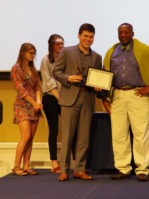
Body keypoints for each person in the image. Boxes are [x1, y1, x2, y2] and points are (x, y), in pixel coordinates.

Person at [102, 23, 149, 181]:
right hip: (117, 95)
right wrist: (104, 97)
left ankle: (142, 170)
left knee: (140, 134)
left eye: (126, 32)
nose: (123, 35)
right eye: (120, 32)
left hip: (137, 95)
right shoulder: (112, 51)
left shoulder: (143, 49)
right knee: (119, 135)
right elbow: (105, 76)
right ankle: (123, 169)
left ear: (132, 33)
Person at [53, 23, 102, 181]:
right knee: (67, 137)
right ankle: (64, 170)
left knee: (84, 137)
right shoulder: (67, 51)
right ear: (79, 35)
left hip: (87, 99)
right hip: (69, 99)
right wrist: (68, 78)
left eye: (91, 37)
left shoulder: (97, 57)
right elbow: (56, 71)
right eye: (85, 36)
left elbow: (98, 79)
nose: (88, 39)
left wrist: (99, 86)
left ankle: (80, 169)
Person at [11, 43, 43, 176]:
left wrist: (39, 101)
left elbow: (37, 87)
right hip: (22, 106)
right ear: (23, 53)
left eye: (34, 53)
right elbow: (20, 89)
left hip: (35, 106)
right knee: (26, 136)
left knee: (31, 138)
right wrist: (33, 102)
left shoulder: (33, 69)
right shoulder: (16, 68)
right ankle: (16, 166)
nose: (33, 55)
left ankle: (26, 166)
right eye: (30, 52)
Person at [40, 34, 64, 174]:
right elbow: (48, 80)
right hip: (50, 97)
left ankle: (74, 161)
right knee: (53, 130)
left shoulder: (65, 58)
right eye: (57, 44)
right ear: (51, 45)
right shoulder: (45, 59)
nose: (60, 46)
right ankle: (54, 162)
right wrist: (58, 96)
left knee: (69, 129)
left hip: (64, 97)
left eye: (62, 43)